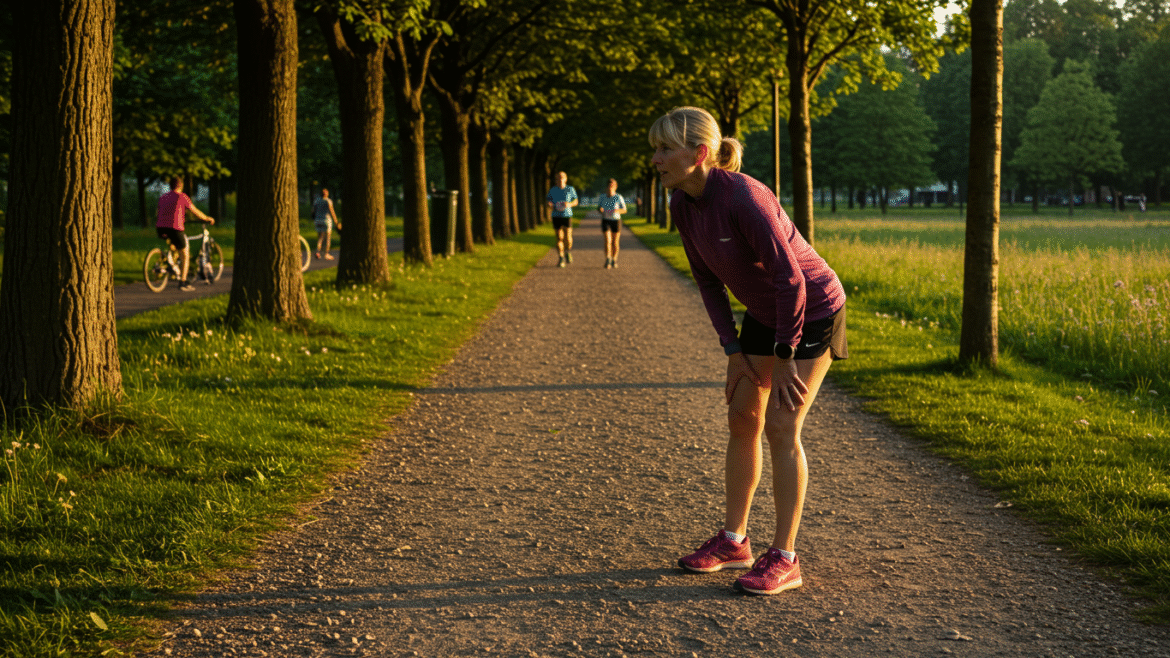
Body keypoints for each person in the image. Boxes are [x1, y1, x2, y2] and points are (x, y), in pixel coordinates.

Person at [650, 107, 847, 596]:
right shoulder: (681, 203)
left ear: (698, 154)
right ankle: (735, 542)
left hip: (813, 308)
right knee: (742, 416)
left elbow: (792, 281)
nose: (655, 159)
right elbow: (707, 282)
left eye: (663, 149)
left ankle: (785, 557)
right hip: (765, 310)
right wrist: (734, 353)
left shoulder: (744, 198)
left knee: (782, 424)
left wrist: (783, 357)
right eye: (654, 149)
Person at [156, 176, 216, 292]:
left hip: (160, 228)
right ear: (181, 186)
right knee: (185, 253)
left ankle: (171, 266)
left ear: (170, 186)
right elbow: (195, 211)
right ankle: (183, 282)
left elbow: (161, 211)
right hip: (175, 228)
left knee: (175, 246)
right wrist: (207, 218)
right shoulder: (182, 197)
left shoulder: (163, 197)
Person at [546, 171, 579, 267]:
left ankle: (567, 251)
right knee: (559, 237)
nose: (560, 179)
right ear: (556, 180)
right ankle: (561, 257)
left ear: (565, 179)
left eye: (562, 177)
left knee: (568, 239)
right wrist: (550, 204)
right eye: (558, 178)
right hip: (556, 215)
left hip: (567, 215)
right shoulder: (552, 190)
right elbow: (548, 200)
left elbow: (576, 201)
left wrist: (570, 204)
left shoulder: (570, 189)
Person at [597, 178, 627, 268]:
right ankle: (608, 258)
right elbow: (599, 208)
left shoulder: (618, 197)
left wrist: (617, 211)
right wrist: (600, 210)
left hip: (616, 220)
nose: (610, 187)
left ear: (615, 187)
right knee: (607, 240)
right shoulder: (602, 197)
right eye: (609, 186)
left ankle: (614, 259)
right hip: (606, 220)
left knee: (615, 242)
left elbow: (624, 210)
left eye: (612, 186)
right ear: (607, 187)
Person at [313, 188, 342, 259]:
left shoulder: (317, 201)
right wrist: (336, 222)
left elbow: (313, 211)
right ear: (327, 194)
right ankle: (326, 254)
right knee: (328, 238)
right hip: (326, 220)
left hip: (317, 220)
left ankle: (317, 252)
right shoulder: (328, 201)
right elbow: (332, 212)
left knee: (320, 237)